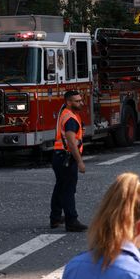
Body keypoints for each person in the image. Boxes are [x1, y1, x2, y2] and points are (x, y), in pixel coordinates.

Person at [50, 90, 88, 232]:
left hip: (58, 156)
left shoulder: (65, 113)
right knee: (68, 190)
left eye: (80, 100)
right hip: (66, 157)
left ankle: (55, 217)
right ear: (69, 102)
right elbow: (72, 143)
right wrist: (79, 162)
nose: (81, 103)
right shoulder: (70, 118)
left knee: (60, 186)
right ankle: (71, 221)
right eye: (77, 101)